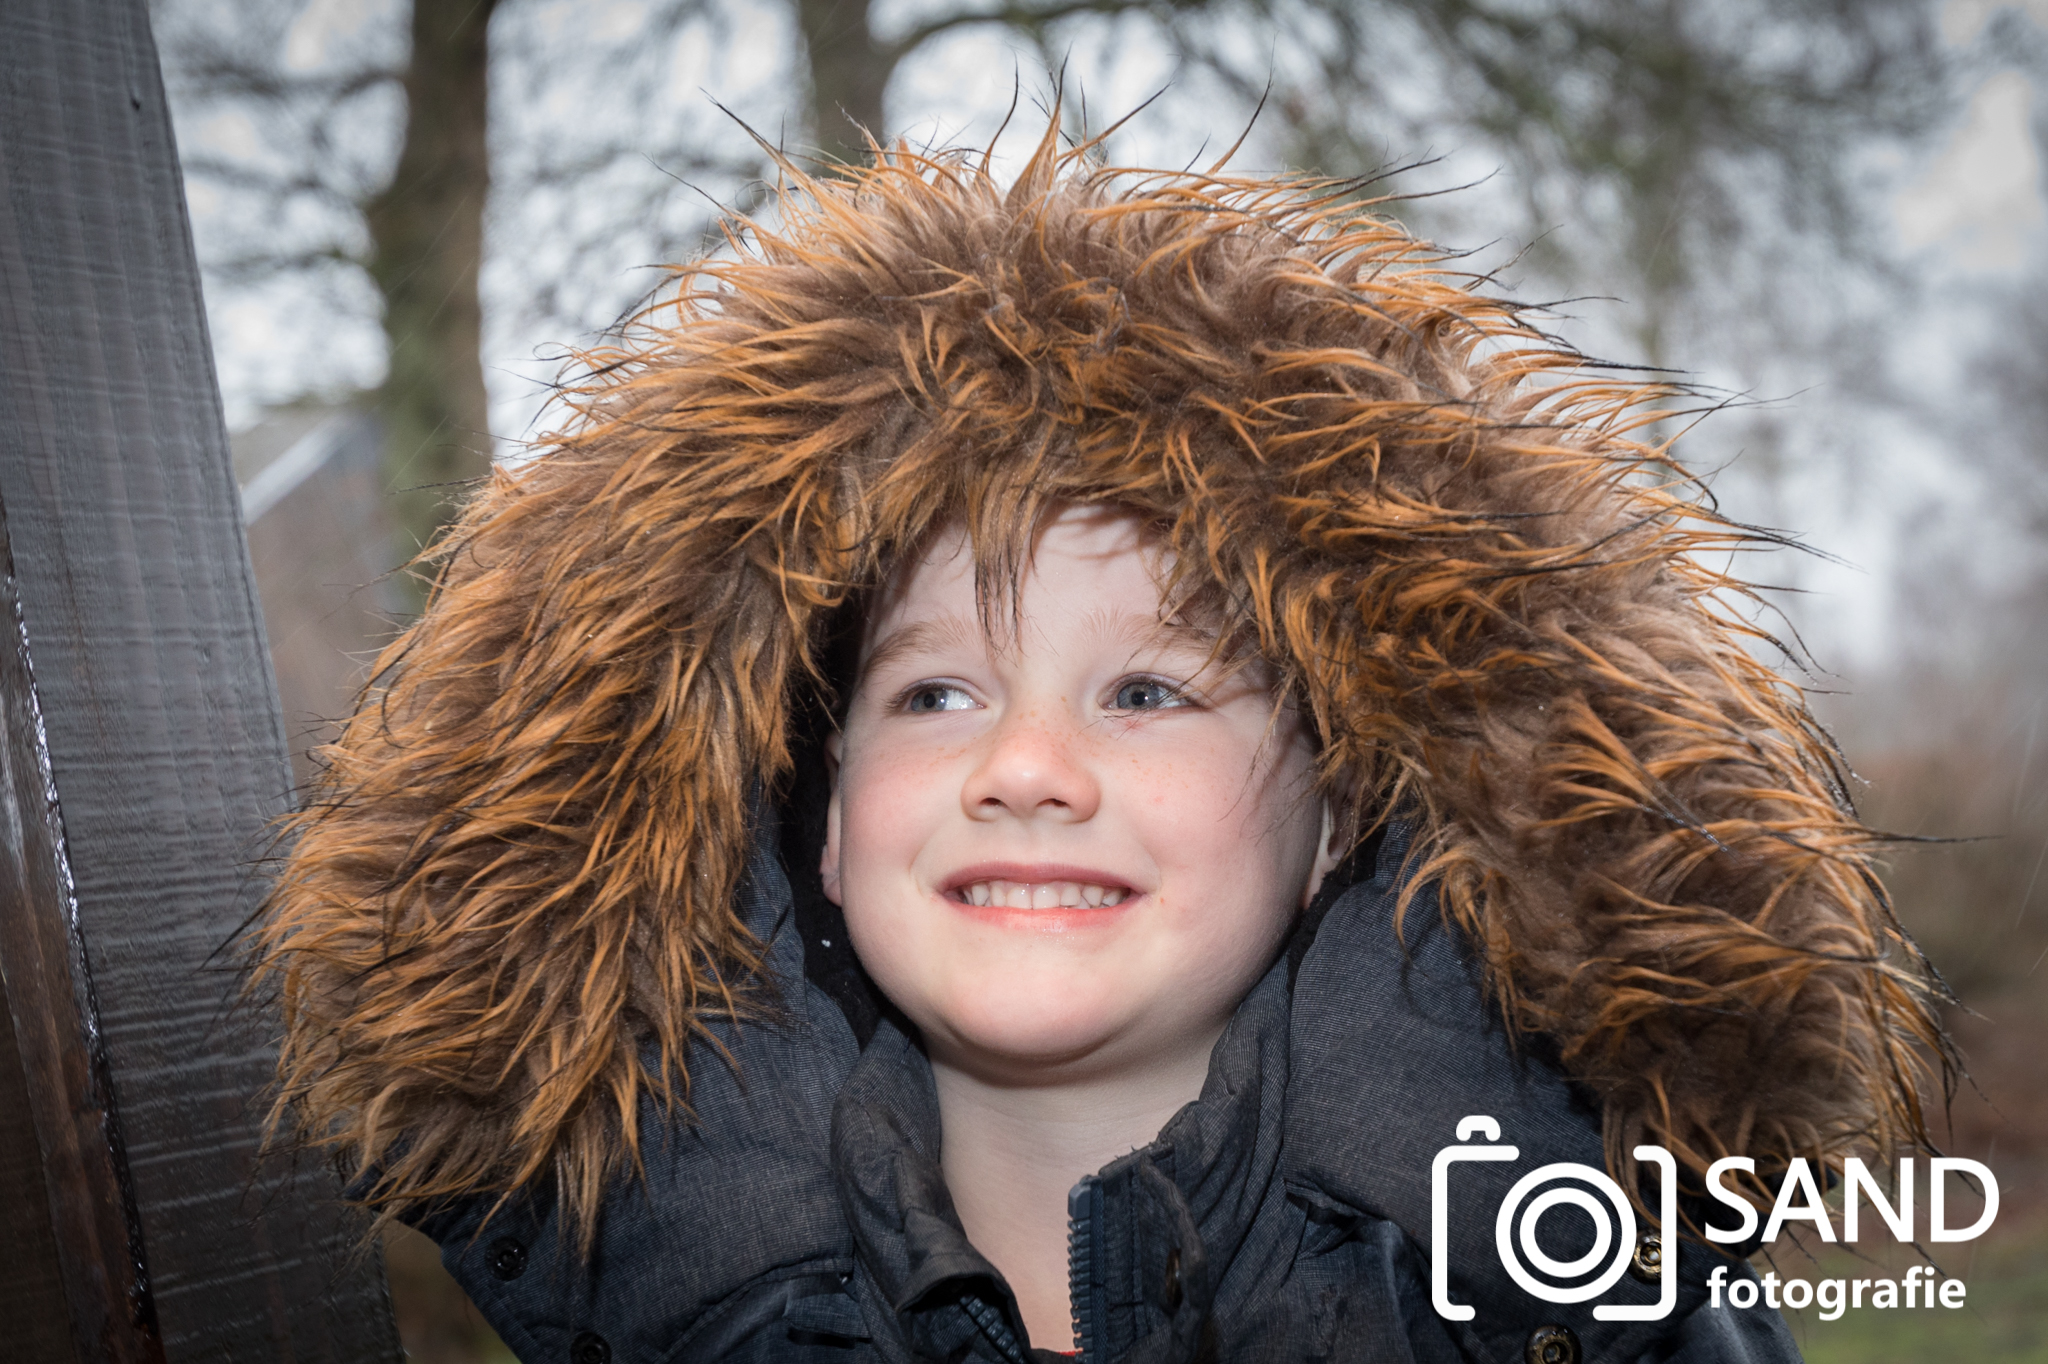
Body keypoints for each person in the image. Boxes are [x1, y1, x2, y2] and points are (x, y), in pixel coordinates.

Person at [253, 122, 1948, 1363]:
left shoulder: (1561, 1295)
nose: (1031, 767)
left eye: (1148, 692)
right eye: (933, 696)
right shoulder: (674, 1279)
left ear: (1347, 814)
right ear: (812, 826)